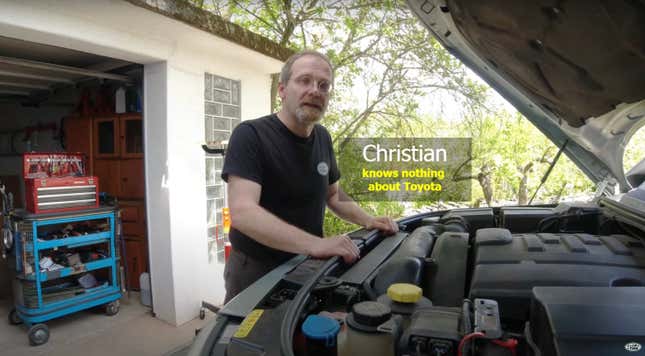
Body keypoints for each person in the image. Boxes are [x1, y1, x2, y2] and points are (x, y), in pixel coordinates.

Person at [221, 50, 398, 303]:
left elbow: (333, 195)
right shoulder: (250, 134)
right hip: (255, 270)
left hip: (305, 263)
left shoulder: (323, 137)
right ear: (282, 90)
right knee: (243, 340)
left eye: (324, 85)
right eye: (304, 80)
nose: (315, 90)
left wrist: (368, 220)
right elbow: (243, 212)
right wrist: (316, 244)